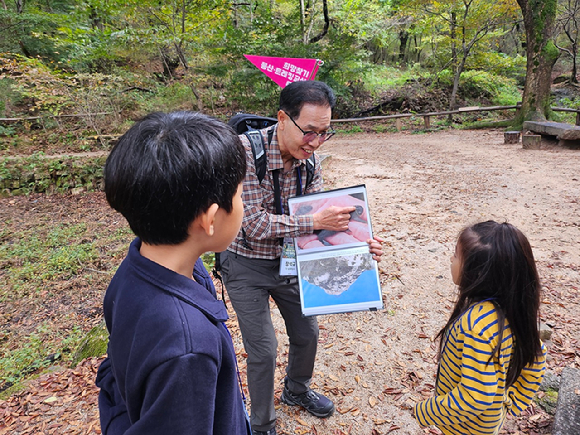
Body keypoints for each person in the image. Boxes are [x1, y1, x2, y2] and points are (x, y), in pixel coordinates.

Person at [219, 80, 383, 435]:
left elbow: (321, 222)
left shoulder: (310, 162)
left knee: (307, 332)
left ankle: (296, 389)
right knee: (263, 348)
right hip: (244, 262)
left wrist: (359, 248)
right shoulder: (243, 153)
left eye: (325, 133)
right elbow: (251, 222)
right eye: (309, 132)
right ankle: (261, 424)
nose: (316, 142)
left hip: (291, 260)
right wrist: (313, 221)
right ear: (282, 118)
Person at [95, 111, 251, 435]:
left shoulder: (136, 267)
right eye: (239, 194)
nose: (243, 203)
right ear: (209, 220)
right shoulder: (188, 348)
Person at [413, 221, 547, 435]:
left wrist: (426, 411)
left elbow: (475, 397)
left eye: (456, 255)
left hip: (466, 428)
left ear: (477, 274)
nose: (451, 259)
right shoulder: (511, 309)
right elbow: (536, 356)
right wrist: (513, 402)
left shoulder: (476, 326)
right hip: (487, 422)